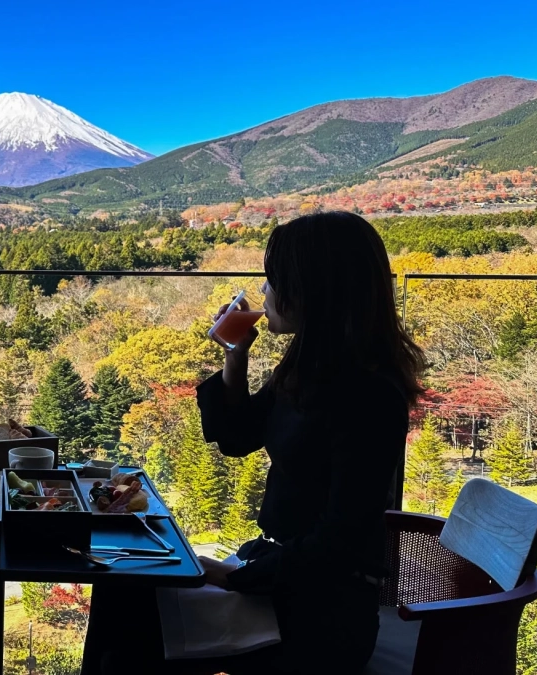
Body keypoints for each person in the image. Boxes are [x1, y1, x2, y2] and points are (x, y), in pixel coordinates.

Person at [83, 211, 424, 674]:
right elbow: (238, 436)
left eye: (273, 279)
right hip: (285, 577)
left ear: (312, 291)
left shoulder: (369, 397)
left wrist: (235, 576)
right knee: (122, 591)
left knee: (132, 620)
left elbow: (338, 544)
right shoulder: (311, 366)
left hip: (320, 614)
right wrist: (235, 353)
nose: (264, 292)